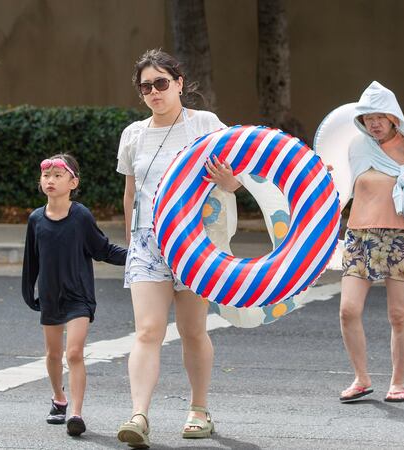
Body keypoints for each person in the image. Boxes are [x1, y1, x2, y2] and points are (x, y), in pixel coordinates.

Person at [115, 49, 240, 448]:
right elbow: (131, 191)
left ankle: (199, 408)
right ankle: (139, 415)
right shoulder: (134, 134)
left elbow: (236, 179)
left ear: (180, 83)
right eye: (146, 86)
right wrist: (134, 238)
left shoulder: (205, 124)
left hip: (195, 242)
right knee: (148, 330)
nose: (154, 92)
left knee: (191, 330)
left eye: (162, 83)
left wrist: (228, 180)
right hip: (150, 242)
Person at [339, 81, 404, 404]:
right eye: (368, 117)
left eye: (380, 116)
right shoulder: (357, 146)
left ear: (394, 116)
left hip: (400, 236)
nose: (374, 123)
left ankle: (398, 382)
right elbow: (342, 189)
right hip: (359, 235)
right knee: (347, 310)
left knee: (398, 315)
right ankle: (361, 378)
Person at [22, 154, 127, 437]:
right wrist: (28, 292)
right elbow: (31, 261)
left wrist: (135, 257)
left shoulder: (80, 216)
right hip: (50, 296)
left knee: (74, 352)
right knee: (53, 354)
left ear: (73, 182)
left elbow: (102, 249)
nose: (50, 180)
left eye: (58, 175)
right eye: (46, 176)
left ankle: (76, 414)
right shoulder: (36, 219)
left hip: (78, 296)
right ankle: (59, 399)